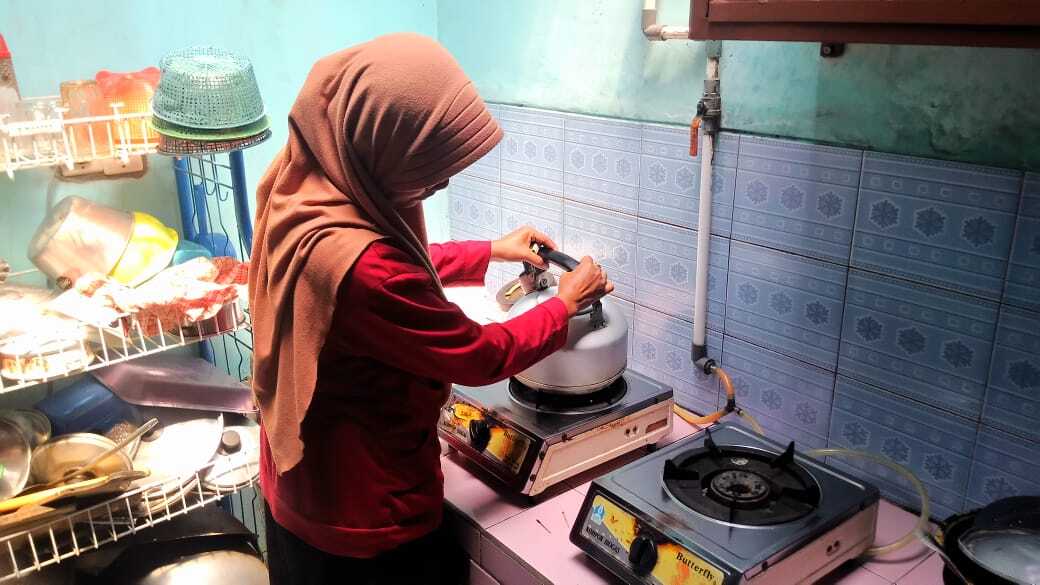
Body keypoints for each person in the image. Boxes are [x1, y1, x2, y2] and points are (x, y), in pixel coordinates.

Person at [248, 33, 613, 585]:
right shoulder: (368, 271)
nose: (440, 182)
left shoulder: (303, 191)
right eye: (427, 164)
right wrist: (565, 304)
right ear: (377, 140)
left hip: (297, 485)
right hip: (363, 525)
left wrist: (490, 250)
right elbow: (478, 354)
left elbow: (387, 269)